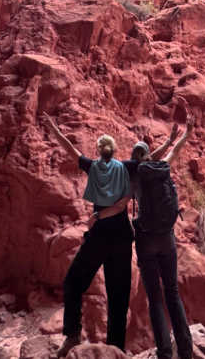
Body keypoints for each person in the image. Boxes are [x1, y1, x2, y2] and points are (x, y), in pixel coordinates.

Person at [44, 115, 135, 356]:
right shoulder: (125, 167)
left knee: (73, 282)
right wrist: (175, 139)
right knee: (118, 294)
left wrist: (54, 129)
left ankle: (72, 335)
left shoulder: (93, 167)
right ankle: (116, 349)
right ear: (115, 151)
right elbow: (155, 159)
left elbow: (70, 149)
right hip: (122, 238)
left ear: (98, 151)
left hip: (99, 237)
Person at [128, 119, 194, 359]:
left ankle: (165, 353)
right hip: (166, 238)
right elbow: (174, 151)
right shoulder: (163, 166)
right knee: (172, 292)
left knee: (155, 297)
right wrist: (183, 135)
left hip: (146, 241)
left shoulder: (134, 175)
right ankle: (185, 351)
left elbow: (142, 161)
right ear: (149, 156)